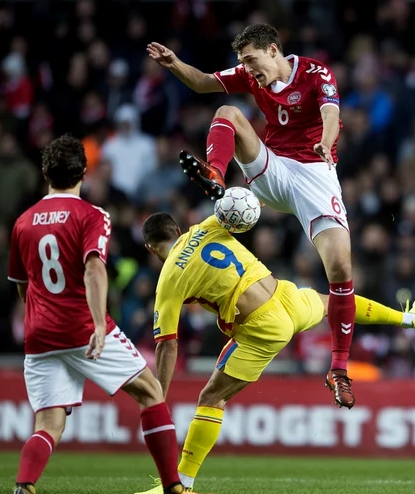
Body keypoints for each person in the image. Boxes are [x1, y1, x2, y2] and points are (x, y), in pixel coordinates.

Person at [134, 212, 415, 494]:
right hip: (285, 296)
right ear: (177, 230)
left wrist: (157, 397)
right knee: (336, 302)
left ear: (150, 248)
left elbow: (167, 344)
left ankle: (180, 484)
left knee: (212, 398)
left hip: (261, 326)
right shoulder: (206, 226)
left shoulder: (169, 278)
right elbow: (245, 206)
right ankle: (408, 318)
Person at [147, 24, 360, 407]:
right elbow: (201, 83)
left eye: (250, 58)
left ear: (273, 50)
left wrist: (326, 143)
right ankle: (215, 173)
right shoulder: (249, 76)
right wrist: (174, 63)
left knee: (341, 269)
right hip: (270, 170)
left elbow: (331, 113)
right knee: (227, 110)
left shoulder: (316, 73)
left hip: (314, 171)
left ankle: (339, 369)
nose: (245, 66)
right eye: (242, 61)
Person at [7, 135, 219, 494]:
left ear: (45, 173)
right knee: (152, 393)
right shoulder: (92, 216)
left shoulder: (23, 222)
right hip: (82, 327)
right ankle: (175, 491)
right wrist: (98, 325)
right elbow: (93, 268)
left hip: (39, 335)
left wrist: (45, 316)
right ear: (84, 173)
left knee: (49, 424)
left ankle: (25, 488)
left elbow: (24, 288)